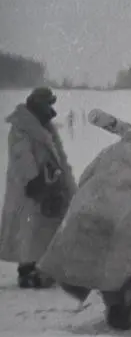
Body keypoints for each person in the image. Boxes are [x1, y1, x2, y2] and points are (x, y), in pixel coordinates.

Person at [36, 116, 131, 336]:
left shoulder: (113, 149)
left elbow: (85, 176)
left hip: (90, 208)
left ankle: (116, 310)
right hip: (128, 214)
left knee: (105, 268)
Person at [0, 88, 77, 288]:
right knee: (29, 229)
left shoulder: (47, 127)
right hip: (29, 188)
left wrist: (70, 186)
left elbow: (61, 158)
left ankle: (41, 267)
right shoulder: (21, 128)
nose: (51, 109)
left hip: (49, 183)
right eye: (48, 104)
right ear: (37, 104)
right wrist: (33, 180)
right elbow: (22, 156)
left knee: (43, 228)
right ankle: (26, 271)